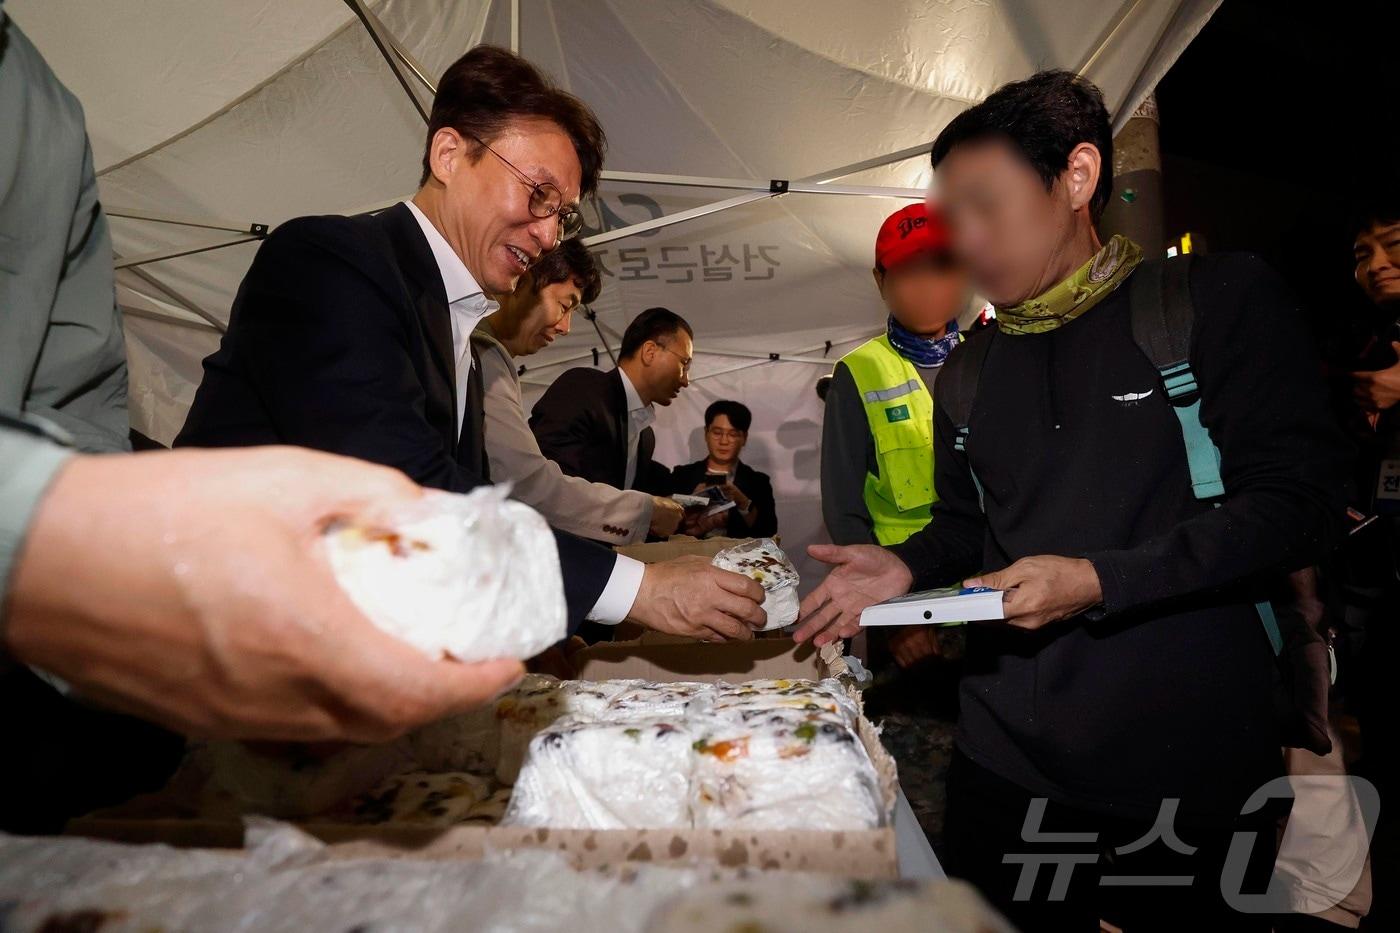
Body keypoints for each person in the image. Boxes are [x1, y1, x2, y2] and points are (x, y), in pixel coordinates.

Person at [795, 71, 1350, 930]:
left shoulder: (1210, 302)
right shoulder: (973, 368)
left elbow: (1299, 504)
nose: (968, 240)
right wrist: (903, 563)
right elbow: (965, 525)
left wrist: (1101, 578)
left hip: (1180, 768)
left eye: (988, 205)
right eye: (954, 218)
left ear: (1078, 175)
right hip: (1002, 760)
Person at [175, 47, 764, 644]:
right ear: (450, 155)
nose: (546, 234)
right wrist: (640, 591)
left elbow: (462, 519)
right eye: (538, 195)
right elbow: (395, 491)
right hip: (215, 653)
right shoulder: (331, 259)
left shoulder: (462, 333)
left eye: (562, 216)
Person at [821, 203, 968, 667]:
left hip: (993, 599)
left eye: (941, 267)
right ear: (880, 281)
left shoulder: (994, 358)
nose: (926, 286)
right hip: (904, 606)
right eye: (907, 271)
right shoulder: (857, 373)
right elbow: (845, 514)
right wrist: (895, 617)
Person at [472, 240, 684, 544]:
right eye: (564, 305)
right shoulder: (580, 387)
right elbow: (528, 482)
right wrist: (641, 511)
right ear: (523, 278)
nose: (566, 327)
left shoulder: (645, 433)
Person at [530, 306, 691, 497]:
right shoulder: (584, 388)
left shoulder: (646, 437)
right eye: (684, 364)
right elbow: (547, 479)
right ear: (650, 352)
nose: (685, 380)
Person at [669, 400, 778, 539]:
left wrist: (743, 503)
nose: (724, 441)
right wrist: (690, 504)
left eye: (733, 434)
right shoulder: (682, 475)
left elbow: (768, 533)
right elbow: (661, 528)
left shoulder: (758, 482)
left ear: (744, 438)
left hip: (739, 558)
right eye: (717, 432)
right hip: (689, 556)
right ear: (706, 433)